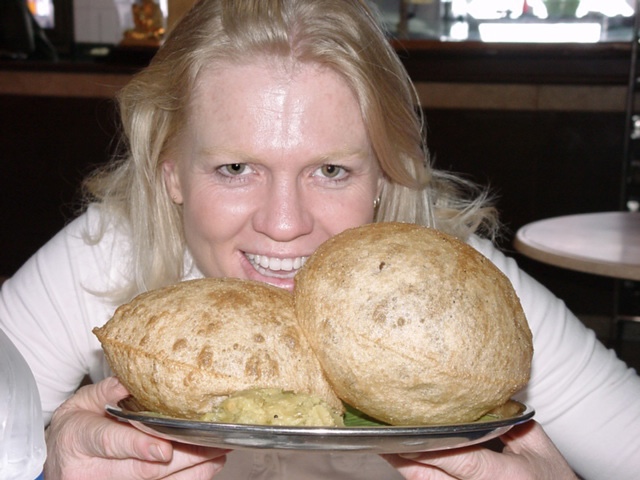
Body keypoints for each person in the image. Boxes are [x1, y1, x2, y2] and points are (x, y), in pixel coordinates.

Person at [1, 0, 638, 479]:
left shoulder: (457, 308)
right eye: (235, 168)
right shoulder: (105, 254)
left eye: (331, 170)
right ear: (171, 171)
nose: (284, 223)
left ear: (385, 174)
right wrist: (48, 472)